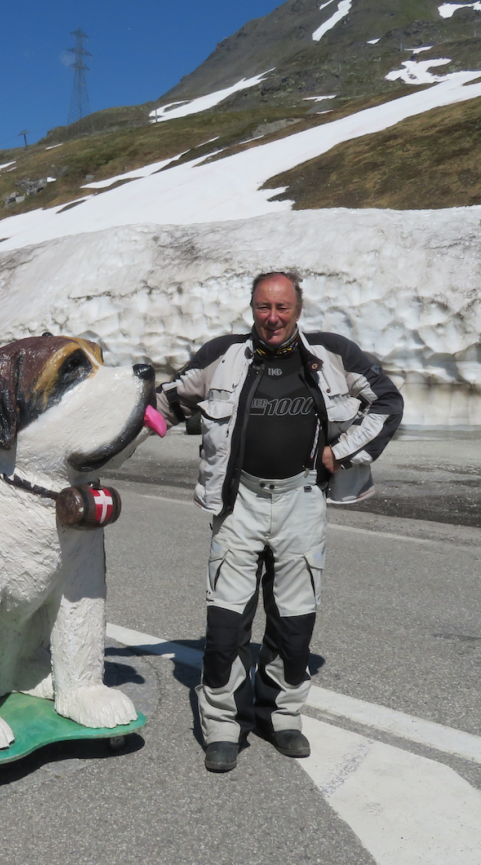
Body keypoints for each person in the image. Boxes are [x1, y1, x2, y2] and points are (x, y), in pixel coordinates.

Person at [151, 271, 403, 772]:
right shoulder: (223, 355)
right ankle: (223, 725)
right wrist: (112, 431)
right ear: (252, 308)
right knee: (224, 625)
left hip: (301, 502)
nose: (273, 318)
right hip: (238, 502)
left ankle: (280, 716)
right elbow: (166, 403)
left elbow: (387, 403)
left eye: (282, 308)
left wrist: (344, 451)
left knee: (294, 626)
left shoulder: (332, 355)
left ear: (298, 309)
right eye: (264, 307)